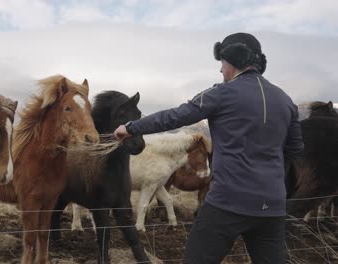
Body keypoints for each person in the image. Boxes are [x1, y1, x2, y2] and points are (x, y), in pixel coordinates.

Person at [114, 33, 303, 263]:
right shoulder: (285, 100)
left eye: (222, 63)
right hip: (271, 206)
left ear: (233, 60)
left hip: (228, 202)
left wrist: (132, 127)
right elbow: (294, 149)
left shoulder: (221, 93)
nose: (221, 70)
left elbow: (176, 116)